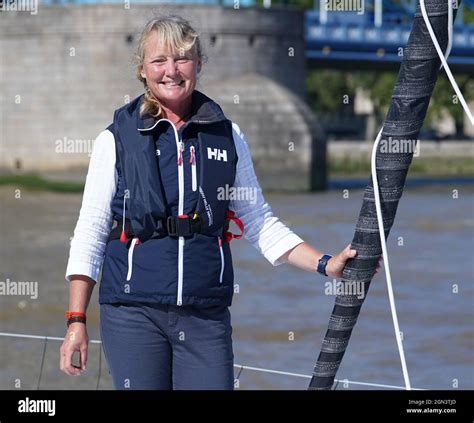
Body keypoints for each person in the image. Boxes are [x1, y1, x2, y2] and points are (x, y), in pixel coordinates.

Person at [60, 15, 379, 390]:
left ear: (198, 64)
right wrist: (76, 321)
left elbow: (259, 222)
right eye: (159, 60)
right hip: (132, 313)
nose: (171, 70)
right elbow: (91, 231)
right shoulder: (114, 140)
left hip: (205, 313)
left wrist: (326, 264)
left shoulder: (228, 136)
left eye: (182, 58)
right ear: (142, 70)